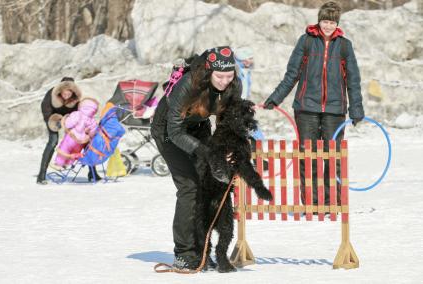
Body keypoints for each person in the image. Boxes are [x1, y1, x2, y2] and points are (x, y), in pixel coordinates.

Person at [263, 1, 364, 206]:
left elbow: (353, 79)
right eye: (325, 21)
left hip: (335, 110)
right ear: (319, 21)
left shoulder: (345, 46)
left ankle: (331, 203)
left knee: (332, 158)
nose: (328, 26)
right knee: (309, 157)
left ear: (337, 23)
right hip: (306, 108)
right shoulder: (306, 41)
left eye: (332, 22)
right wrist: (276, 97)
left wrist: (356, 109)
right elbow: (292, 74)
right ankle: (312, 203)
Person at [151, 46, 242, 270]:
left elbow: (228, 119)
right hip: (168, 131)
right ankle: (184, 252)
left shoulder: (233, 84)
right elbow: (174, 130)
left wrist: (230, 144)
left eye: (229, 76)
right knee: (190, 186)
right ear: (209, 71)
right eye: (220, 76)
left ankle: (203, 247)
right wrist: (205, 151)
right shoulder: (188, 84)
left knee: (207, 185)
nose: (224, 81)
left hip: (199, 126)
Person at [37, 77, 100, 184]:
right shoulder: (51, 95)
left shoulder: (76, 98)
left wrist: (82, 127)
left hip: (71, 118)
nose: (66, 95)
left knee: (85, 141)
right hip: (53, 117)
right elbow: (45, 109)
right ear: (60, 90)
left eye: (69, 93)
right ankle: (41, 175)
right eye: (64, 93)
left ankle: (92, 172)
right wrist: (52, 120)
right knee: (53, 141)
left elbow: (79, 113)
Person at [53, 98, 99, 169]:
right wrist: (87, 133)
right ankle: (68, 163)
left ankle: (59, 163)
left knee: (64, 148)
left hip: (71, 138)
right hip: (81, 142)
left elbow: (68, 124)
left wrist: (66, 121)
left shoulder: (77, 114)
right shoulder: (92, 121)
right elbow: (92, 133)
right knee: (74, 152)